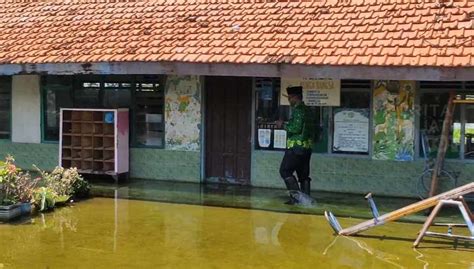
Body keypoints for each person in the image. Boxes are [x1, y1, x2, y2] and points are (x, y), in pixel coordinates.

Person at [276, 86, 315, 205]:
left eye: (290, 98)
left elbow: (296, 128)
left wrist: (282, 125)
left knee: (285, 171)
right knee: (303, 175)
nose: (289, 101)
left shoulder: (298, 110)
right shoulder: (308, 110)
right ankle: (307, 200)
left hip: (295, 147)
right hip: (306, 147)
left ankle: (297, 199)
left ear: (295, 98)